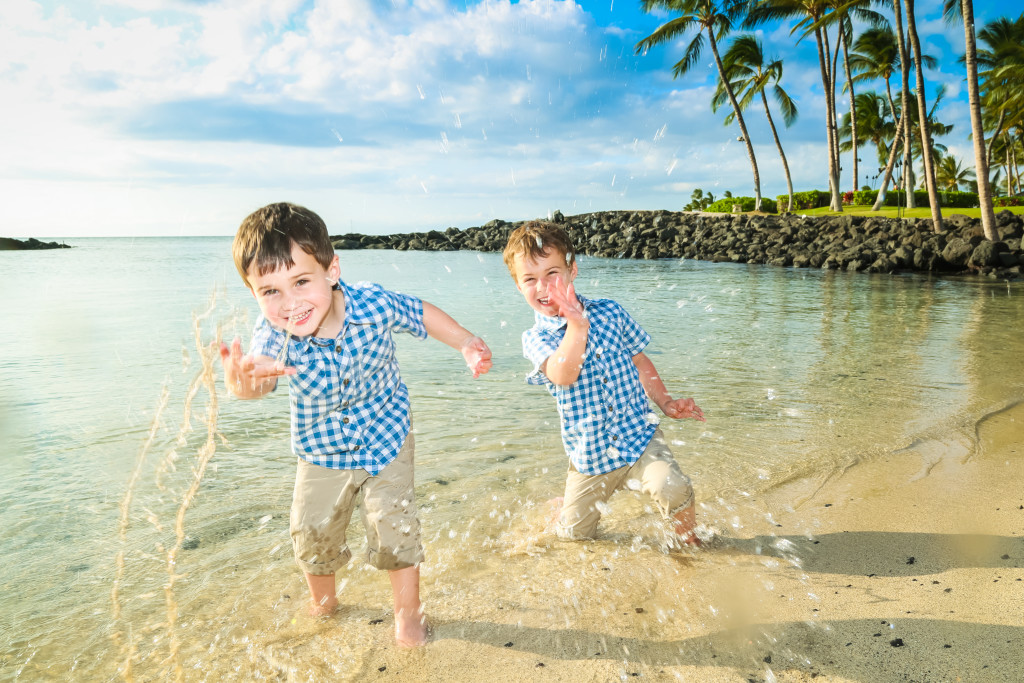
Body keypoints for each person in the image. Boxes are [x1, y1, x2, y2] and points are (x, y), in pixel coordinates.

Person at [219, 202, 492, 647]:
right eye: (270, 292)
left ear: (331, 270)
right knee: (312, 532)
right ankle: (324, 604)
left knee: (393, 527)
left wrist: (464, 341)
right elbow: (262, 373)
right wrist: (245, 385)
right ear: (254, 294)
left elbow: (419, 312)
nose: (289, 304)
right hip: (322, 452)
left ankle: (408, 616)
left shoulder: (373, 304)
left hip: (387, 438)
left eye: (301, 281)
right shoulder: (273, 335)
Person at [502, 220, 704, 546]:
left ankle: (691, 542)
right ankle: (563, 506)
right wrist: (576, 327)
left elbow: (639, 361)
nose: (543, 287)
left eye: (552, 273)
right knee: (573, 539)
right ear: (518, 286)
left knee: (673, 486)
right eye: (530, 279)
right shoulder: (536, 338)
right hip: (590, 457)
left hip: (639, 437)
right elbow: (563, 374)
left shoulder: (610, 313)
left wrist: (665, 401)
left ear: (572, 271)